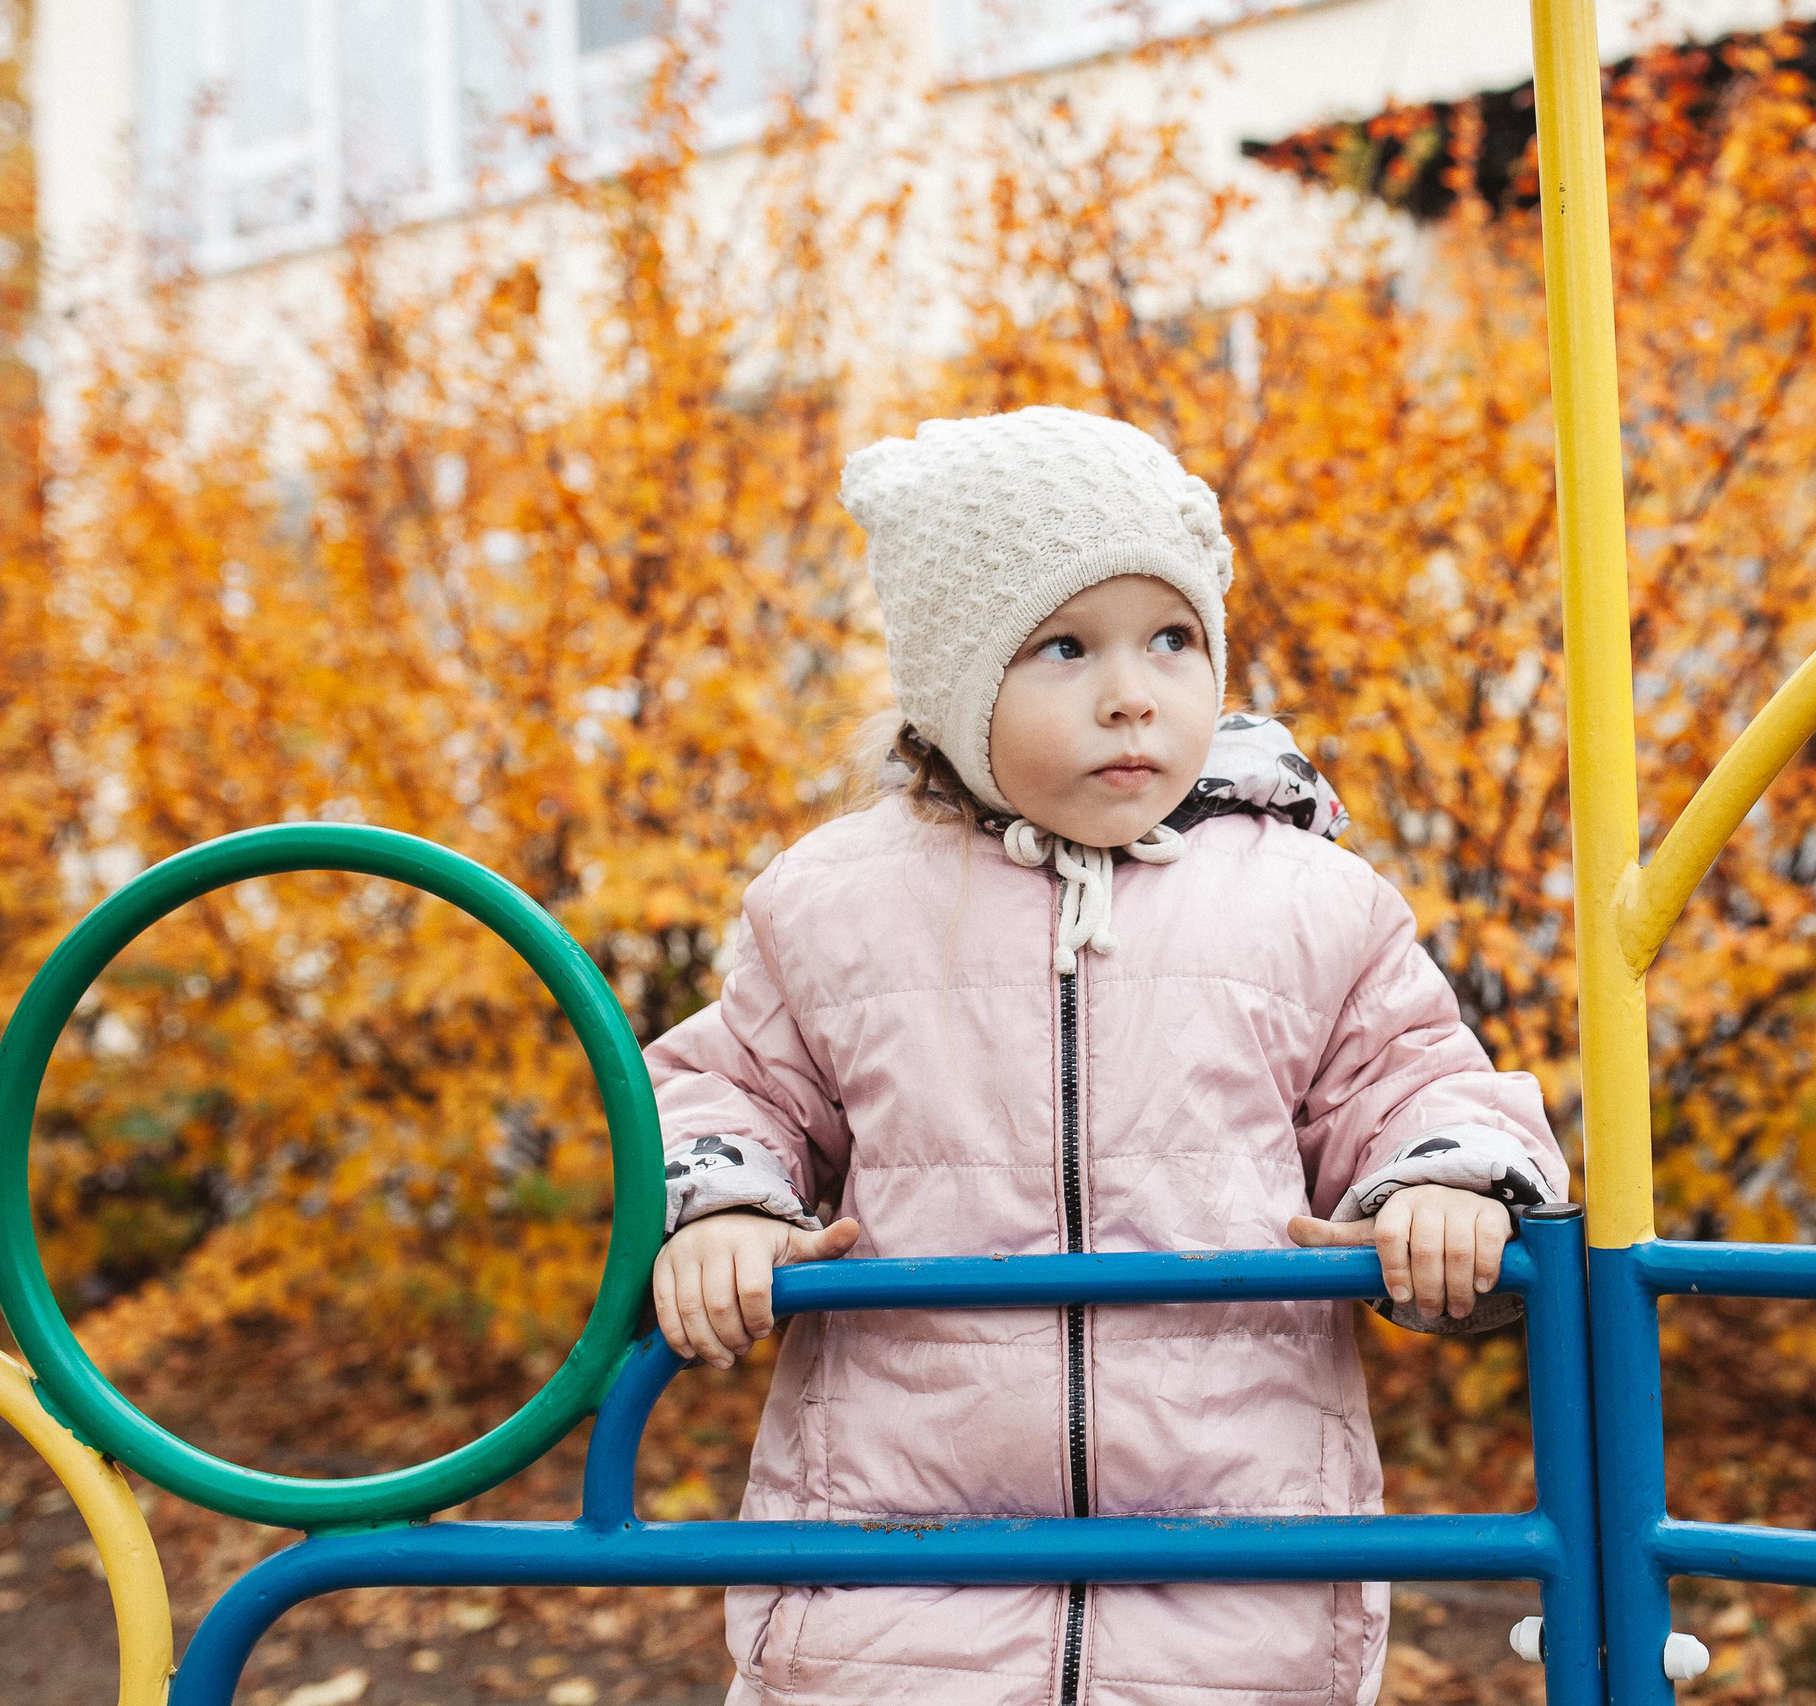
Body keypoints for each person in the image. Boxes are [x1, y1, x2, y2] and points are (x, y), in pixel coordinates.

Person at [646, 405, 1568, 1706]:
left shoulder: (1307, 898)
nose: (1133, 689)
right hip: (898, 1578)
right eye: (1066, 645)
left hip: (1236, 1576)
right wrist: (723, 1210)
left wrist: (1441, 1185)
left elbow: (1418, 1075)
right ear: (958, 688)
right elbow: (724, 1087)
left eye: (1174, 638)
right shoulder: (837, 902)